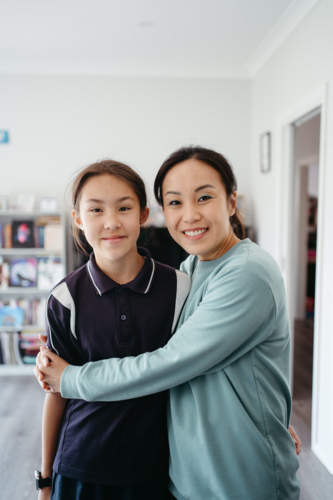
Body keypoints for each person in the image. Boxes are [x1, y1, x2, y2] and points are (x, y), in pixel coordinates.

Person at [36, 146, 301, 500]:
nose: (190, 215)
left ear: (231, 201)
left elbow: (172, 362)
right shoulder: (192, 269)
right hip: (181, 475)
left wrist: (70, 378)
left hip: (237, 481)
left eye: (204, 197)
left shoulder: (246, 272)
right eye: (175, 202)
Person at [36, 159, 191, 500]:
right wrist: (45, 482)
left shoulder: (180, 288)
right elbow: (56, 392)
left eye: (124, 207)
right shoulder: (64, 298)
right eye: (95, 210)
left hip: (160, 468)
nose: (111, 222)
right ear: (77, 218)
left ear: (143, 215)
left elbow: (208, 363)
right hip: (80, 468)